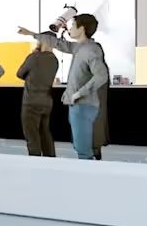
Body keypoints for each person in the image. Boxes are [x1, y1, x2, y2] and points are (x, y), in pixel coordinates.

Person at [57, 14, 109, 160]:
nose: (70, 29)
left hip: (82, 104)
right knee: (83, 146)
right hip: (81, 103)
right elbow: (61, 44)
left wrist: (79, 93)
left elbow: (101, 75)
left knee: (83, 149)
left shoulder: (89, 50)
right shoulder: (82, 48)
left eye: (73, 26)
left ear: (82, 28)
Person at [15, 34, 60, 157]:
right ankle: (50, 160)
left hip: (31, 101)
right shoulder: (54, 60)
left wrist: (33, 54)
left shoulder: (34, 57)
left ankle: (35, 162)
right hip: (47, 101)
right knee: (45, 132)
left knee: (32, 135)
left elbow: (19, 73)